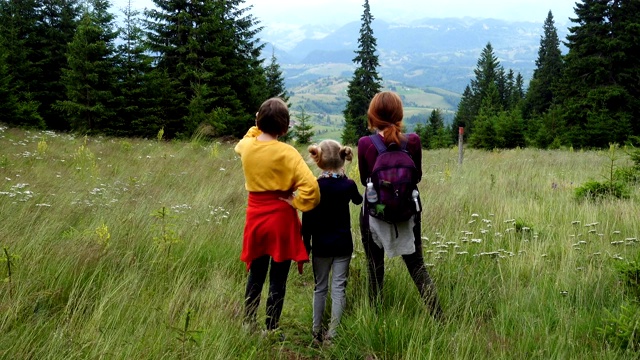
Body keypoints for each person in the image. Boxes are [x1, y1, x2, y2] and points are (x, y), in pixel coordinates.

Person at [234, 97, 321, 336]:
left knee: (256, 272)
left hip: (256, 216)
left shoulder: (246, 147)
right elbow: (311, 189)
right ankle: (271, 327)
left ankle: (248, 324)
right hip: (281, 218)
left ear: (259, 121)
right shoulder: (288, 153)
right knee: (278, 276)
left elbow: (245, 140)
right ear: (284, 126)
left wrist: (256, 125)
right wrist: (296, 201)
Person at [357, 91, 443, 318]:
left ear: (373, 115)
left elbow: (364, 178)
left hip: (375, 215)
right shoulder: (412, 141)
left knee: (375, 269)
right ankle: (440, 318)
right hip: (408, 212)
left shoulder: (365, 143)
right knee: (417, 267)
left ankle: (375, 319)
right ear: (399, 114)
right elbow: (417, 176)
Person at [302, 140, 363, 345]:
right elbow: (358, 200)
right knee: (339, 288)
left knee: (320, 287)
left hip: (321, 245)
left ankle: (316, 330)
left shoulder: (315, 186)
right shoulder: (348, 185)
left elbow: (307, 219)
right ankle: (333, 333)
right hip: (343, 244)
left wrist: (306, 244)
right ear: (342, 157)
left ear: (318, 160)